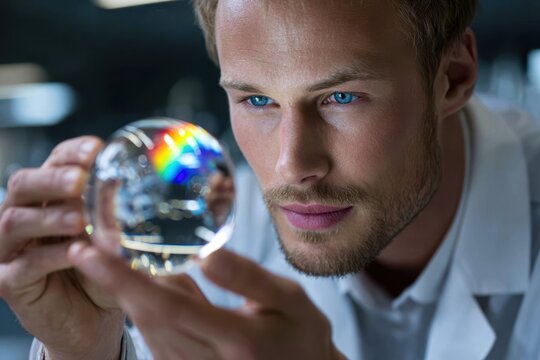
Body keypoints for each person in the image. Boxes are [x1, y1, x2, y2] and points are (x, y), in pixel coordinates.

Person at [0, 0, 539, 359]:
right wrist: (91, 349)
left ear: (453, 78)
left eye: (341, 97)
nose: (290, 165)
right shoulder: (211, 234)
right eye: (257, 100)